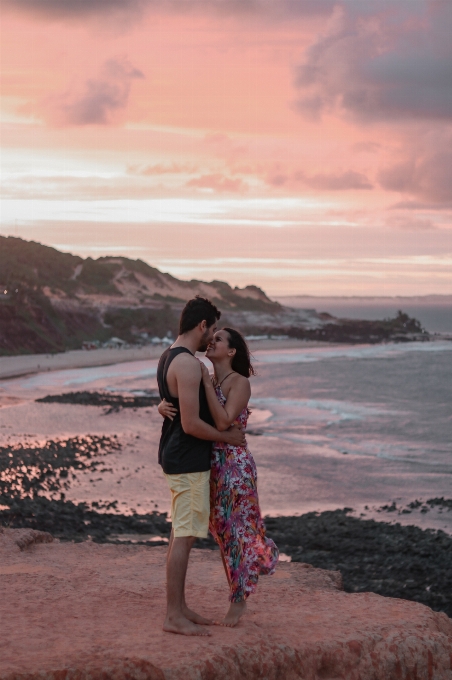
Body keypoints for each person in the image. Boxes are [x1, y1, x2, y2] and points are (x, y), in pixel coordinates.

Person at [159, 326, 278, 627]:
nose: (212, 341)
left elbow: (225, 421)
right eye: (212, 337)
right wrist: (161, 405)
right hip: (211, 464)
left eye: (219, 339)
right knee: (223, 533)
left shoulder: (240, 382)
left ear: (232, 351)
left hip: (235, 466)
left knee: (236, 532)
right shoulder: (209, 379)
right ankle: (241, 584)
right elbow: (191, 411)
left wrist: (204, 382)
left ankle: (238, 601)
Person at [157, 297, 247, 637]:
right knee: (185, 535)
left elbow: (176, 407)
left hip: (174, 455)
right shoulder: (190, 365)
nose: (212, 337)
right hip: (188, 459)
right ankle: (173, 616)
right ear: (201, 325)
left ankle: (179, 608)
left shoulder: (169, 355)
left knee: (180, 531)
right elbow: (192, 424)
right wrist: (229, 440)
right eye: (211, 329)